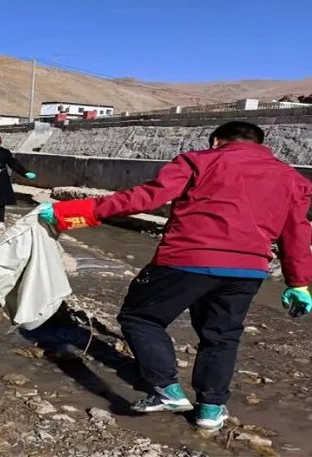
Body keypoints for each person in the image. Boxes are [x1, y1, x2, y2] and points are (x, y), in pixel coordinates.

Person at [38, 121, 312, 431]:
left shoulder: (198, 161)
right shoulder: (292, 179)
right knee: (221, 336)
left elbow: (145, 197)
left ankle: (167, 390)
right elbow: (297, 232)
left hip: (187, 259)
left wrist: (69, 213)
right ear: (261, 144)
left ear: (216, 140)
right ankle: (210, 409)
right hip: (247, 270)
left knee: (140, 318)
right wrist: (299, 283)